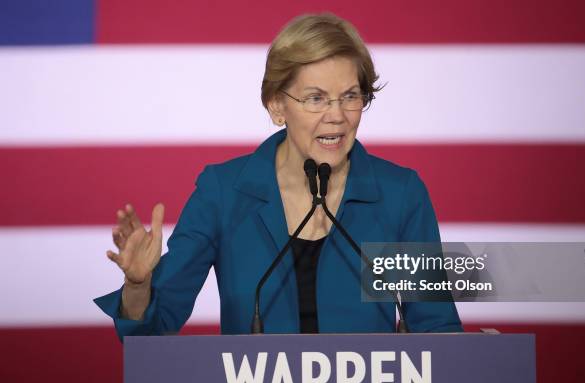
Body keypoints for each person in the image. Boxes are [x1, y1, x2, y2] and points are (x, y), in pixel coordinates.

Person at [94, 13, 463, 342]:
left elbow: (436, 327)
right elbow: (150, 333)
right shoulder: (222, 193)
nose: (338, 116)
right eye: (316, 98)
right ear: (276, 105)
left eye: (350, 96)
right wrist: (138, 286)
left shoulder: (399, 194)